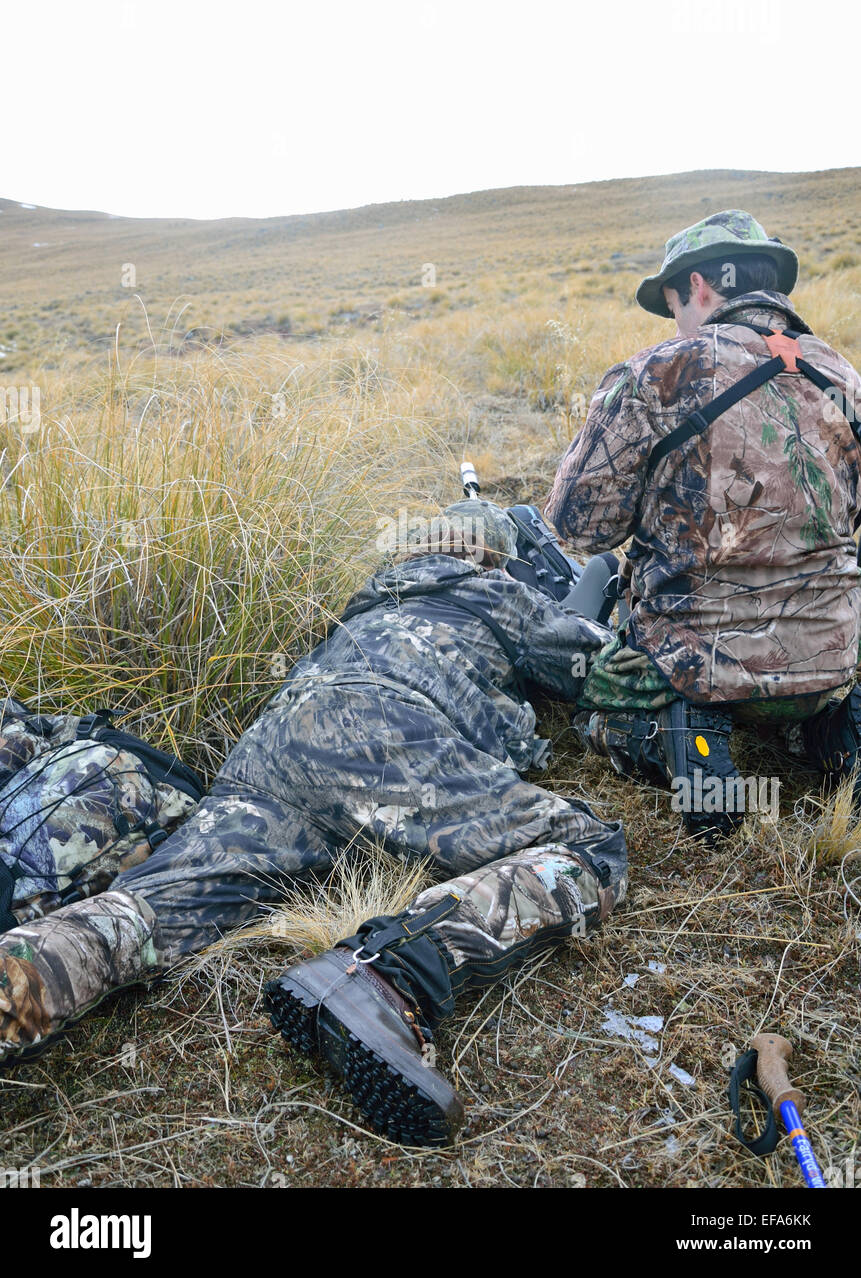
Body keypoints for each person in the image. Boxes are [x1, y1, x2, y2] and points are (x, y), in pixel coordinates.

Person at [0, 499, 627, 1147]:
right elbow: (608, 674)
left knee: (142, 914)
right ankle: (386, 975)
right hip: (387, 738)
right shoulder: (493, 590)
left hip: (270, 751)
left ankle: (14, 985)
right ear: (491, 556)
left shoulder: (368, 596)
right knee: (590, 850)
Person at [545, 210, 861, 840]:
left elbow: (578, 528)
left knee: (592, 698)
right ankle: (830, 733)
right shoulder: (846, 378)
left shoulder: (655, 374)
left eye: (672, 304)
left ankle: (677, 739)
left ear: (699, 286)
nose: (676, 323)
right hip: (830, 656)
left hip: (697, 661)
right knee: (809, 693)